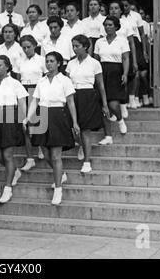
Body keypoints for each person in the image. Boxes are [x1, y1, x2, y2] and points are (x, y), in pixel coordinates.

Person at [24, 52, 79, 205]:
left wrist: (75, 122)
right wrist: (28, 117)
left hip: (57, 115)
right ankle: (60, 174)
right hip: (42, 115)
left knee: (56, 156)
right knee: (45, 153)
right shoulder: (41, 81)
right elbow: (35, 101)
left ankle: (58, 190)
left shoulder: (65, 80)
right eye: (47, 61)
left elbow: (70, 102)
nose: (48, 64)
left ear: (59, 63)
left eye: (52, 61)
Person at [0, 55, 28, 204]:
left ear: (7, 67)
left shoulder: (15, 84)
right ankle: (14, 171)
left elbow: (22, 103)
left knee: (8, 155)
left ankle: (8, 188)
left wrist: (25, 119)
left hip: (10, 117)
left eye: (0, 65)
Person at [66, 36, 109, 173]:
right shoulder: (70, 64)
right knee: (73, 127)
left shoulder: (94, 63)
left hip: (88, 96)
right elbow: (66, 83)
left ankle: (87, 161)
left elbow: (101, 85)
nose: (74, 48)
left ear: (85, 46)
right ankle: (81, 145)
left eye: (77, 46)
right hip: (72, 95)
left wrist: (105, 104)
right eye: (73, 46)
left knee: (85, 129)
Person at [94, 16, 130, 145]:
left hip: (116, 72)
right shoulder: (99, 42)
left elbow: (125, 58)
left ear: (116, 26)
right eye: (106, 25)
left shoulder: (122, 40)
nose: (108, 27)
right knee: (103, 105)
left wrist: (125, 73)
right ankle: (108, 136)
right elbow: (96, 59)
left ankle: (120, 119)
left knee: (113, 104)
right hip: (102, 72)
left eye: (110, 25)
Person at [16, 35, 47, 172]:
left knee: (38, 123)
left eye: (29, 47)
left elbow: (47, 77)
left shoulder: (42, 60)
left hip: (38, 91)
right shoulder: (20, 61)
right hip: (24, 92)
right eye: (24, 47)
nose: (27, 49)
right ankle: (30, 158)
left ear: (35, 45)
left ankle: (40, 146)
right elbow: (18, 80)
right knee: (25, 126)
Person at [109, 0, 139, 119]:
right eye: (111, 8)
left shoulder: (126, 24)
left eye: (116, 8)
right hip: (111, 58)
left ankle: (123, 106)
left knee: (124, 81)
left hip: (124, 57)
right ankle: (114, 110)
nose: (114, 10)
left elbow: (132, 43)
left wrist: (135, 61)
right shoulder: (106, 24)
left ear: (121, 10)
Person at [119, 0, 149, 109]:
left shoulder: (136, 16)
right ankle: (128, 98)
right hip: (123, 42)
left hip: (135, 43)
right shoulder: (119, 18)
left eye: (127, 5)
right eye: (123, 6)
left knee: (137, 72)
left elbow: (142, 34)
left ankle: (136, 97)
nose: (125, 8)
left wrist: (144, 50)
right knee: (127, 72)